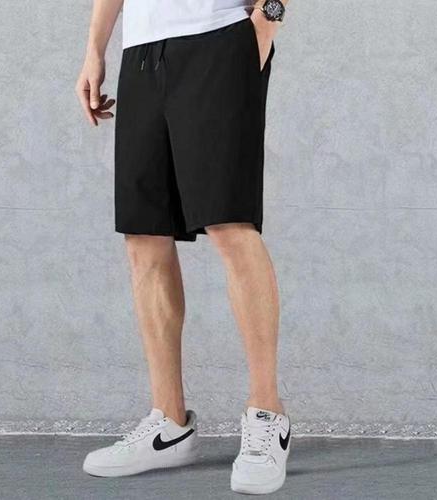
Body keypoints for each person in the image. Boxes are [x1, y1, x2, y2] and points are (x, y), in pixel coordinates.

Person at [76, 0, 291, 494]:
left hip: (219, 38)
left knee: (230, 224)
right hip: (142, 53)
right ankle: (169, 424)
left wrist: (266, 22)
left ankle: (267, 415)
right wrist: (95, 49)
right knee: (143, 236)